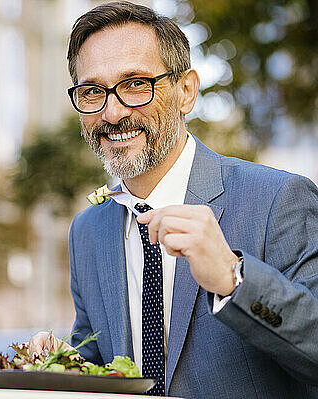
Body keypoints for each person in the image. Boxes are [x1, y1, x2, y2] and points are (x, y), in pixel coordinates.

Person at [28, 2, 318, 398]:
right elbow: (104, 357)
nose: (112, 113)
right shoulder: (87, 231)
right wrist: (66, 365)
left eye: (135, 84)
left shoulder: (278, 200)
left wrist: (235, 281)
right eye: (93, 91)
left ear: (186, 91)